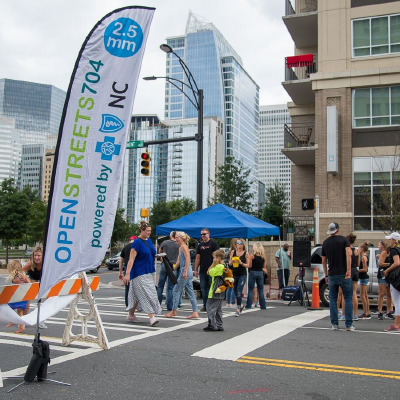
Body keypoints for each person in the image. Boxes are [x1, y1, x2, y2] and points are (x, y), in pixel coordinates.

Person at [123, 221, 162, 327]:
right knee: (147, 293)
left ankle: (131, 314)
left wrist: (159, 255)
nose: (149, 232)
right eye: (147, 231)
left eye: (150, 231)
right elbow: (131, 259)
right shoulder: (136, 242)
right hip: (138, 272)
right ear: (142, 230)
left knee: (138, 294)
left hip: (147, 271)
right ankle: (151, 317)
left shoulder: (148, 240)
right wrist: (127, 274)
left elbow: (151, 253)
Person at [322, 222, 355, 331]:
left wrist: (326, 274)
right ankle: (349, 325)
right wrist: (348, 270)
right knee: (348, 298)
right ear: (338, 230)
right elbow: (348, 255)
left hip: (332, 274)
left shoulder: (325, 243)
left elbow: (324, 260)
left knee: (333, 299)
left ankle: (334, 324)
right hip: (344, 273)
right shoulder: (344, 240)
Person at [165, 232, 199, 319]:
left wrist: (185, 271)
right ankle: (195, 311)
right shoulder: (181, 247)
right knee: (190, 292)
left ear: (182, 238)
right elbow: (179, 261)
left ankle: (174, 311)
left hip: (185, 271)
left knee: (176, 290)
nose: (176, 239)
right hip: (187, 271)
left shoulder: (184, 247)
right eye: (175, 237)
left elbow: (187, 259)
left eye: (177, 237)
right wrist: (173, 269)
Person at [194, 228, 220, 312]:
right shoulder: (200, 245)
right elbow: (198, 258)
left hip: (212, 270)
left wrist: (214, 267)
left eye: (204, 234)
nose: (203, 236)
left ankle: (213, 305)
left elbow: (218, 257)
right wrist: (195, 269)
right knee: (204, 288)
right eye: (201, 234)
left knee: (212, 288)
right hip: (202, 270)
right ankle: (205, 305)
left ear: (209, 234)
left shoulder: (213, 243)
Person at [22, 246, 47, 328]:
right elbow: (21, 271)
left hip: (43, 280)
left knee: (47, 300)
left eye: (39, 255)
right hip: (32, 279)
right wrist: (27, 280)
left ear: (43, 255)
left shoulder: (46, 262)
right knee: (27, 300)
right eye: (35, 255)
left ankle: (41, 319)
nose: (36, 257)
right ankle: (23, 320)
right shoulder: (30, 263)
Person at [203, 249, 225, 331]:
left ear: (218, 258)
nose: (213, 259)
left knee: (210, 307)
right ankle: (219, 324)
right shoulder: (224, 266)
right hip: (220, 290)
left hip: (215, 290)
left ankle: (212, 324)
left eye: (214, 257)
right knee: (218, 309)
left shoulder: (219, 267)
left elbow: (209, 272)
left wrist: (213, 264)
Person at [6, 260, 30, 333]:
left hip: (19, 295)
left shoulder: (19, 275)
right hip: (23, 295)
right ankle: (19, 325)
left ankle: (16, 322)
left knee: (9, 308)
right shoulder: (22, 274)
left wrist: (18, 280)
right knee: (19, 311)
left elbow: (27, 282)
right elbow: (29, 283)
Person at [157, 231, 180, 311]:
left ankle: (158, 304)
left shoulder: (165, 242)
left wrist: (162, 258)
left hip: (165, 264)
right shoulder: (178, 244)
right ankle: (169, 306)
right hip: (173, 265)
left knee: (160, 286)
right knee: (170, 287)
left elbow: (159, 252)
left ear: (171, 236)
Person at [228, 238, 250, 317]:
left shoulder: (246, 253)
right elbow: (229, 263)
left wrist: (241, 263)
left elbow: (248, 265)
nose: (239, 245)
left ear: (243, 245)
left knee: (239, 291)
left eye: (240, 243)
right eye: (237, 243)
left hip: (242, 274)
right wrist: (231, 261)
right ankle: (240, 305)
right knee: (235, 291)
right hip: (234, 273)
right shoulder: (233, 252)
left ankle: (238, 309)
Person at [383, 232, 400, 332]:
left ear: (394, 240)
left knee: (397, 302)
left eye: (390, 239)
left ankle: (396, 325)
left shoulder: (394, 250)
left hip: (396, 278)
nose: (389, 241)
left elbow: (397, 263)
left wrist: (387, 270)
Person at [245, 243, 267, 310]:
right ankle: (262, 305)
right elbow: (264, 266)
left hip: (253, 272)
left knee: (250, 289)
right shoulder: (264, 257)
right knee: (260, 290)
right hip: (260, 272)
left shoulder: (252, 256)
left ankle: (248, 305)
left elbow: (250, 266)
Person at [377, 240, 393, 320]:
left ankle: (388, 311)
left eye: (379, 245)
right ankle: (380, 311)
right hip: (382, 274)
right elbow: (380, 264)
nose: (378, 246)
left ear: (383, 246)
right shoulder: (384, 252)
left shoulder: (389, 252)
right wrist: (390, 264)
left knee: (389, 294)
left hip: (388, 274)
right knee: (382, 293)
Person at [119, 235, 137, 307]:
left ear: (129, 240)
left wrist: (120, 272)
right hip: (136, 269)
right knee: (137, 288)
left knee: (128, 287)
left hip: (127, 269)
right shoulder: (137, 246)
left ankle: (128, 304)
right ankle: (136, 305)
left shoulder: (125, 247)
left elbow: (121, 261)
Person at [358, 242, 371, 319]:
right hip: (363, 277)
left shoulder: (364, 257)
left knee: (362, 295)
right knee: (365, 295)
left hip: (364, 277)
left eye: (359, 248)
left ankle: (366, 313)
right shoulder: (364, 256)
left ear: (362, 249)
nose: (358, 249)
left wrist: (357, 270)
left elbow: (365, 269)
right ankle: (367, 312)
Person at [225, 238, 237, 308]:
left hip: (228, 269)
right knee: (233, 286)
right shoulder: (234, 252)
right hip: (233, 269)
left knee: (229, 286)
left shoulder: (229, 251)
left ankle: (228, 302)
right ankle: (232, 302)